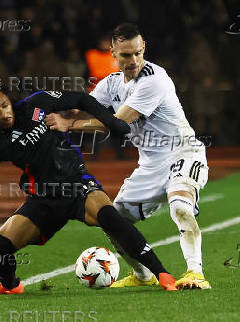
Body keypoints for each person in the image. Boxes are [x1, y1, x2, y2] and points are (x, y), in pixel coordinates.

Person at [0, 67, 178, 297]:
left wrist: (111, 121)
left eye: (4, 104)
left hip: (76, 185)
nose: (3, 113)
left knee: (111, 218)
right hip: (43, 200)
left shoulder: (36, 104)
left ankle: (162, 274)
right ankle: (10, 286)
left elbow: (80, 98)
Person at [45, 23, 211, 290]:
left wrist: (70, 125)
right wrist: (48, 111)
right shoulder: (111, 83)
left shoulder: (154, 78)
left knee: (180, 206)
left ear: (143, 48)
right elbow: (85, 106)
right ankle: (143, 275)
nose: (133, 61)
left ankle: (195, 273)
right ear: (113, 53)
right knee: (112, 218)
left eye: (137, 53)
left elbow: (118, 123)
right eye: (126, 55)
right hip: (150, 164)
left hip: (184, 151)